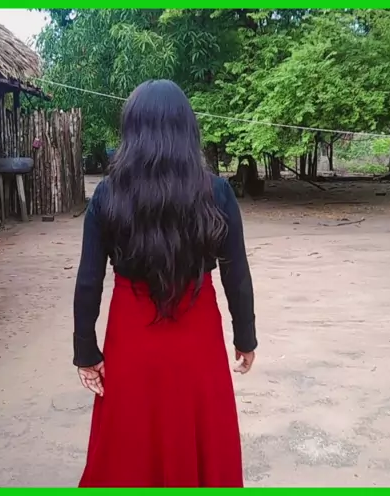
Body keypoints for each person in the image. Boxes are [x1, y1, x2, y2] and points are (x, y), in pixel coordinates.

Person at [73, 79, 257, 488]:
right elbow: (236, 274)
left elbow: (88, 280)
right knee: (200, 427)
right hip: (197, 333)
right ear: (187, 129)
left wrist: (85, 351)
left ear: (132, 130)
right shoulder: (217, 193)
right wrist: (245, 336)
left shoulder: (107, 195)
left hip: (131, 335)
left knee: (130, 437)